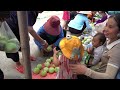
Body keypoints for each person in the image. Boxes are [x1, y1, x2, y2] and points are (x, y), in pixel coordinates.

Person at [69, 14, 120, 79]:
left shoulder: (117, 50)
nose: (105, 29)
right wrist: (91, 52)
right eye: (106, 25)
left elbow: (109, 76)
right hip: (98, 69)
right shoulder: (109, 39)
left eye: (110, 27)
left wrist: (85, 71)